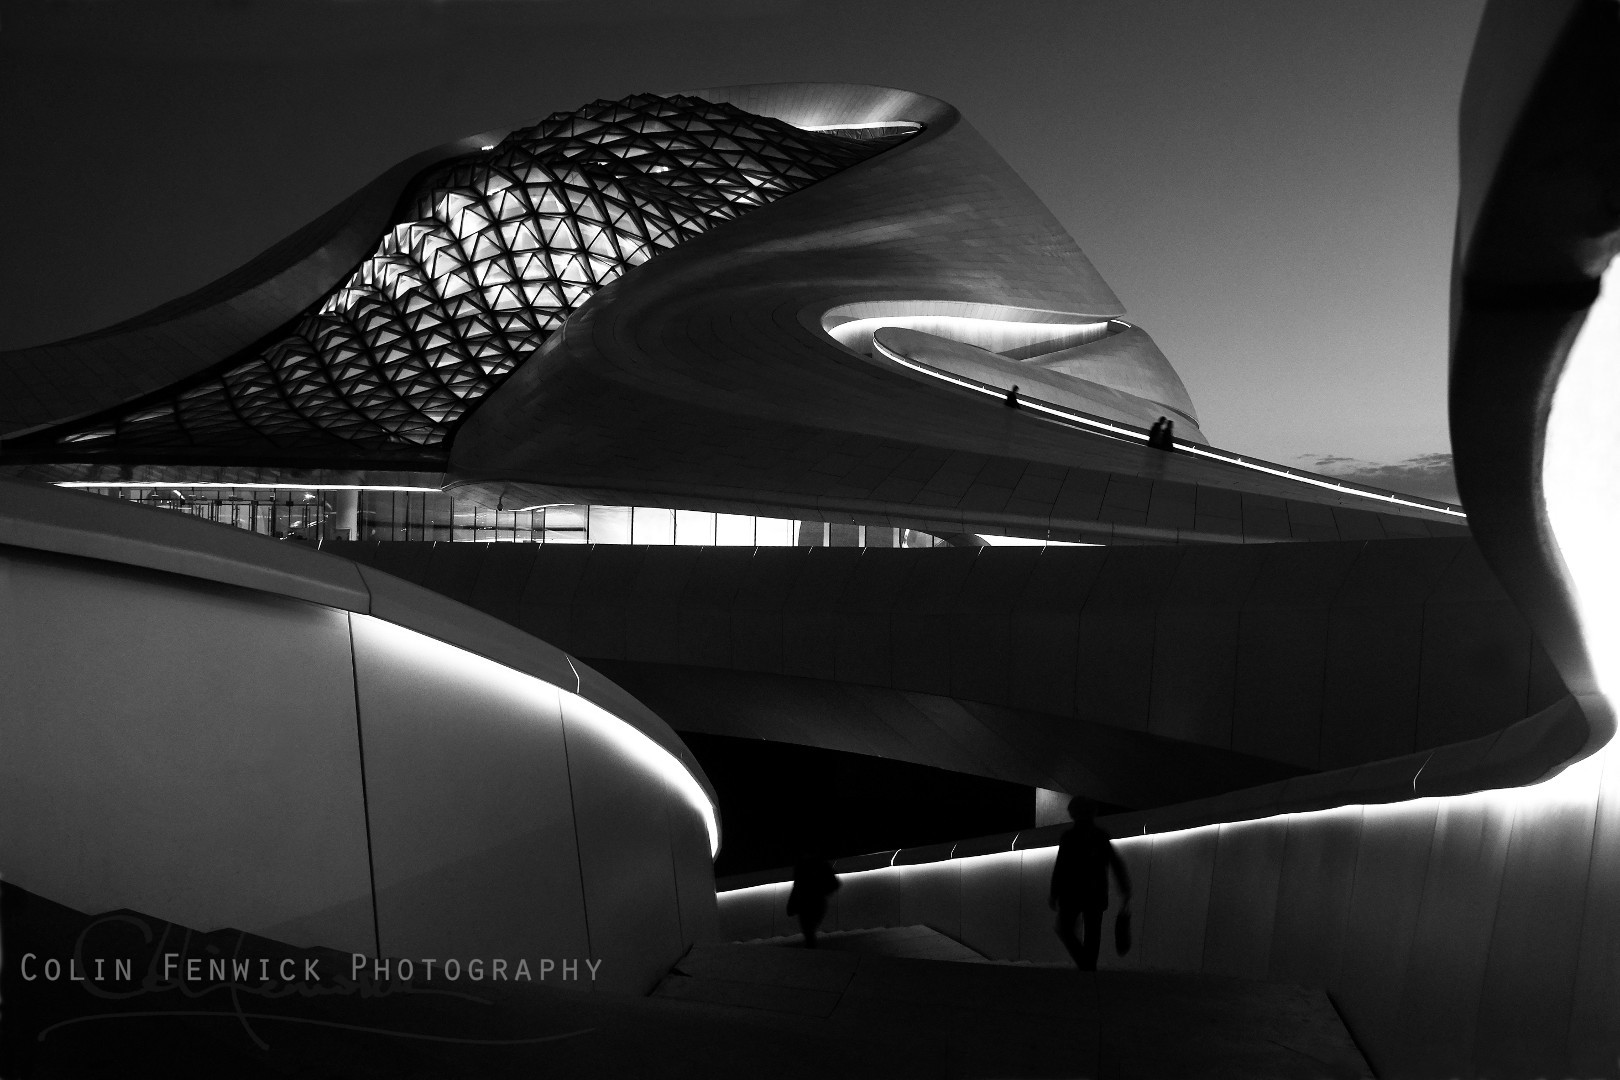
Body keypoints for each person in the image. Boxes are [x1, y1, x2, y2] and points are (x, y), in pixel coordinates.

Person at [1048, 797, 1130, 971]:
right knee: (1093, 934)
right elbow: (1116, 863)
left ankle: (1085, 964)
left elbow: (1060, 867)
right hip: (1096, 893)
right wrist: (1124, 888)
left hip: (1071, 893)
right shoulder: (1100, 836)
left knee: (1065, 928)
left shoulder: (1069, 837)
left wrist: (1054, 893)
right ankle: (1088, 967)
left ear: (1073, 813)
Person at [785, 853, 840, 948]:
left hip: (806, 903)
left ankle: (812, 954)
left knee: (808, 932)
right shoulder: (820, 863)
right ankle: (813, 955)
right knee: (809, 932)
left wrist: (792, 903)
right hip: (814, 903)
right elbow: (834, 884)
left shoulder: (801, 864)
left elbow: (797, 886)